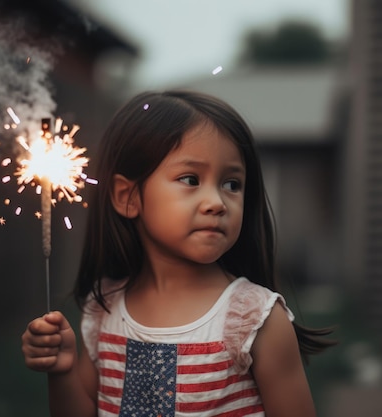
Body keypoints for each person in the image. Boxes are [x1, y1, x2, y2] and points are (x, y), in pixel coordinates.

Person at [21, 90, 336, 416]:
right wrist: (62, 372)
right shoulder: (104, 312)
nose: (216, 202)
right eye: (190, 179)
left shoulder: (254, 321)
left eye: (231, 184)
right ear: (127, 197)